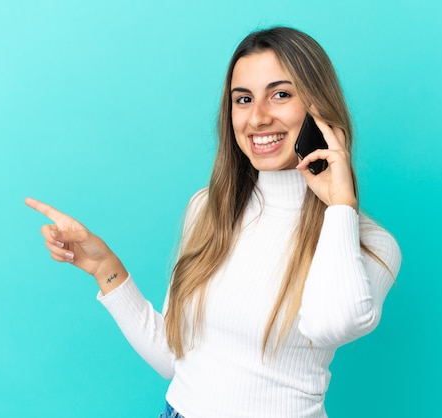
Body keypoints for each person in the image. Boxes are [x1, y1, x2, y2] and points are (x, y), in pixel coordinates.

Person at [26, 26, 401, 418]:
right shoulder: (207, 209)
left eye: (281, 94)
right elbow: (175, 359)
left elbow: (332, 325)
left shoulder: (370, 244)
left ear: (319, 109)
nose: (257, 117)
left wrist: (340, 206)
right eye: (243, 99)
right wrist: (105, 268)